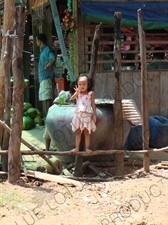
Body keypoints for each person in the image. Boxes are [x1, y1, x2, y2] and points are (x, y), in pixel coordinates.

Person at [43, 81, 76, 151]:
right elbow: (55, 101)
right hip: (54, 113)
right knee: (48, 132)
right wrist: (67, 104)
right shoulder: (65, 95)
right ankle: (47, 150)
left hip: (66, 116)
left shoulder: (78, 97)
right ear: (71, 92)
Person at [70, 74, 97, 154]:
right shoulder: (78, 93)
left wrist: (94, 115)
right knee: (78, 132)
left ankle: (87, 148)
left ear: (88, 84)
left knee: (87, 132)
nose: (82, 86)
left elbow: (93, 104)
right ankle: (77, 148)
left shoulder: (90, 94)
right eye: (80, 84)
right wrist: (76, 93)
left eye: (84, 84)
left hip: (87, 116)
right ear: (77, 85)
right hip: (78, 116)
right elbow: (72, 99)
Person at [36, 33, 56, 117]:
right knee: (45, 96)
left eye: (37, 40)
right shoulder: (42, 50)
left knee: (48, 97)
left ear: (40, 41)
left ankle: (49, 116)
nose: (36, 42)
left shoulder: (47, 49)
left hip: (46, 76)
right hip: (43, 77)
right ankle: (47, 116)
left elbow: (53, 58)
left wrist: (47, 66)